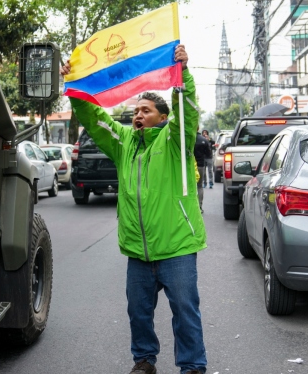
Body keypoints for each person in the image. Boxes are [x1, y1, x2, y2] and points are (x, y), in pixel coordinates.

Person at [61, 45, 207, 374]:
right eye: (136, 110)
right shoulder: (123, 142)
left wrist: (183, 74)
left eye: (146, 110)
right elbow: (94, 119)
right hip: (138, 252)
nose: (138, 115)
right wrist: (73, 86)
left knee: (185, 310)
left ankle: (193, 366)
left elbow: (188, 115)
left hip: (177, 246)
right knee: (138, 312)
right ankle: (144, 361)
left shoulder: (174, 141)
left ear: (163, 116)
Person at [194, 129, 212, 213]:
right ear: (198, 129)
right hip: (200, 165)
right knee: (199, 186)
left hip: (188, 166)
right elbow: (208, 153)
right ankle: (199, 207)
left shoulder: (187, 139)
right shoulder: (204, 140)